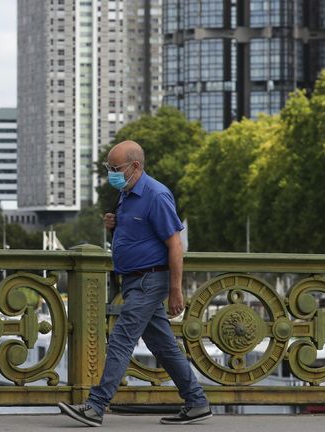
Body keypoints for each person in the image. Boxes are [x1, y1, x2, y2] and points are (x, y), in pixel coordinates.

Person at [58, 140, 211, 427]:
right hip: (134, 280)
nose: (111, 173)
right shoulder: (126, 194)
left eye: (115, 168)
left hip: (150, 279)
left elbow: (175, 245)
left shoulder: (156, 195)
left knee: (120, 338)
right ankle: (197, 401)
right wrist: (113, 224)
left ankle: (95, 406)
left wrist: (176, 290)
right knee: (163, 345)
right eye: (109, 168)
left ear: (135, 166)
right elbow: (139, 231)